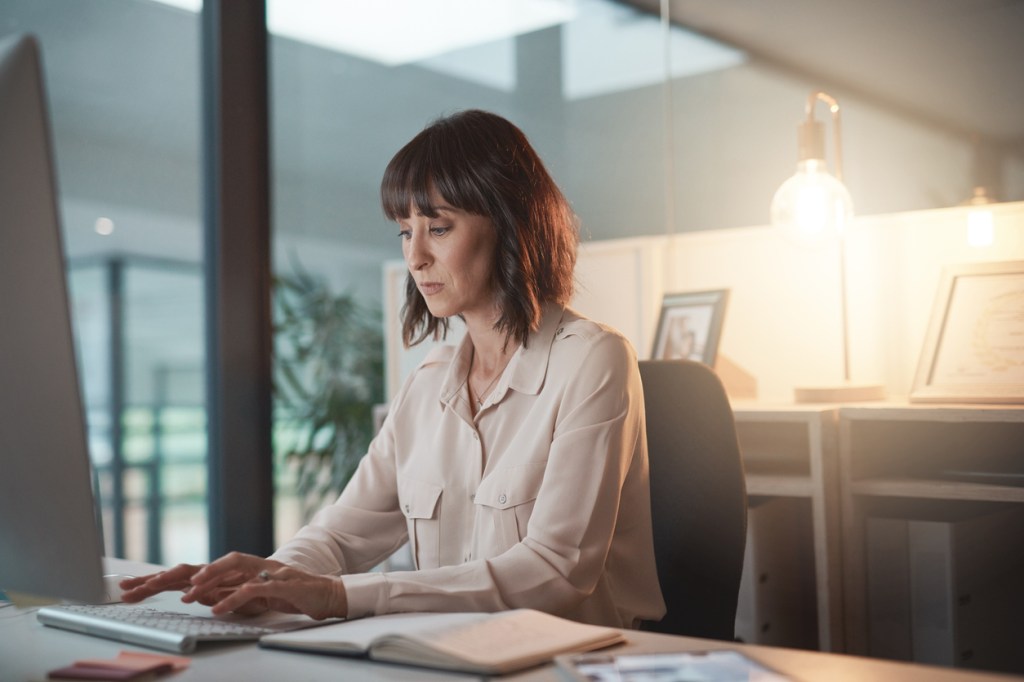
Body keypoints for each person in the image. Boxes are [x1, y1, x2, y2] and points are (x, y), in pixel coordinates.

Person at [120, 109, 666, 629]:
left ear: (509, 224)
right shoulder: (428, 383)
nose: (416, 255)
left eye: (439, 227)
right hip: (452, 657)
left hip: (574, 662)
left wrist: (342, 596)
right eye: (406, 231)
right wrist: (265, 580)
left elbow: (554, 570)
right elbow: (341, 535)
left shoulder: (592, 360)